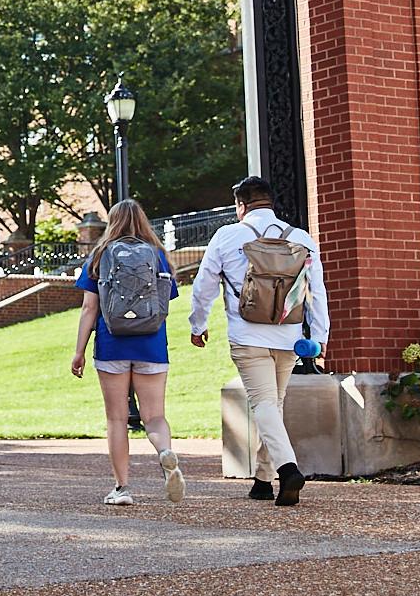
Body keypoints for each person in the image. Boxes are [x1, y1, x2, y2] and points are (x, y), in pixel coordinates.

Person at [187, 175, 329, 506]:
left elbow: (204, 286)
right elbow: (316, 294)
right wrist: (319, 338)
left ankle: (287, 468)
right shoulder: (301, 238)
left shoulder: (227, 236)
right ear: (270, 202)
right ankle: (263, 481)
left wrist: (198, 325)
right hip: (288, 335)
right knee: (273, 404)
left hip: (247, 335)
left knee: (263, 404)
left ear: (241, 205)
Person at [69, 200, 183, 505]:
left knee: (117, 419)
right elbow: (165, 306)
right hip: (151, 345)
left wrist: (79, 352)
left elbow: (88, 309)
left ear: (112, 222)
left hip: (112, 344)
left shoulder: (99, 256)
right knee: (155, 416)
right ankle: (165, 454)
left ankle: (122, 488)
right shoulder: (158, 256)